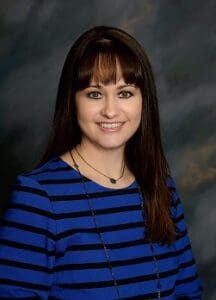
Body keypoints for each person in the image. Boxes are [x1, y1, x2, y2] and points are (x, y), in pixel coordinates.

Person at [0, 26, 202, 299]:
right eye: (94, 93)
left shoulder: (161, 189)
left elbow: (188, 293)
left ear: (144, 101)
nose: (110, 110)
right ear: (73, 101)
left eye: (125, 93)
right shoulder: (38, 197)